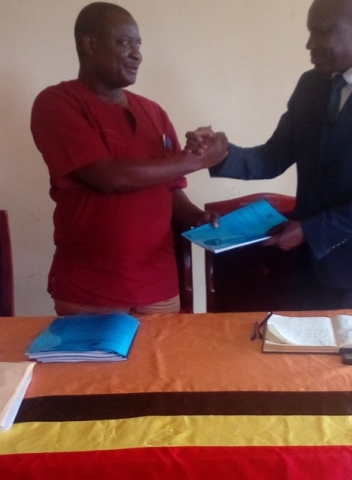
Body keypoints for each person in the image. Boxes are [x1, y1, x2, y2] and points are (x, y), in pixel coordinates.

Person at [187, 0, 352, 310]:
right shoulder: (311, 85)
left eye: (321, 32)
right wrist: (218, 154)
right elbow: (273, 156)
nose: (309, 44)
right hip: (310, 263)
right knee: (302, 344)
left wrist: (310, 231)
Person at [30, 2, 228, 316]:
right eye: (124, 43)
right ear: (90, 44)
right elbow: (107, 177)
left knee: (166, 353)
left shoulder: (154, 112)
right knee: (94, 354)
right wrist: (195, 161)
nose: (137, 55)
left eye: (138, 44)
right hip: (90, 292)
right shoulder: (57, 103)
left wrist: (196, 217)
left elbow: (170, 188)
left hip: (159, 286)